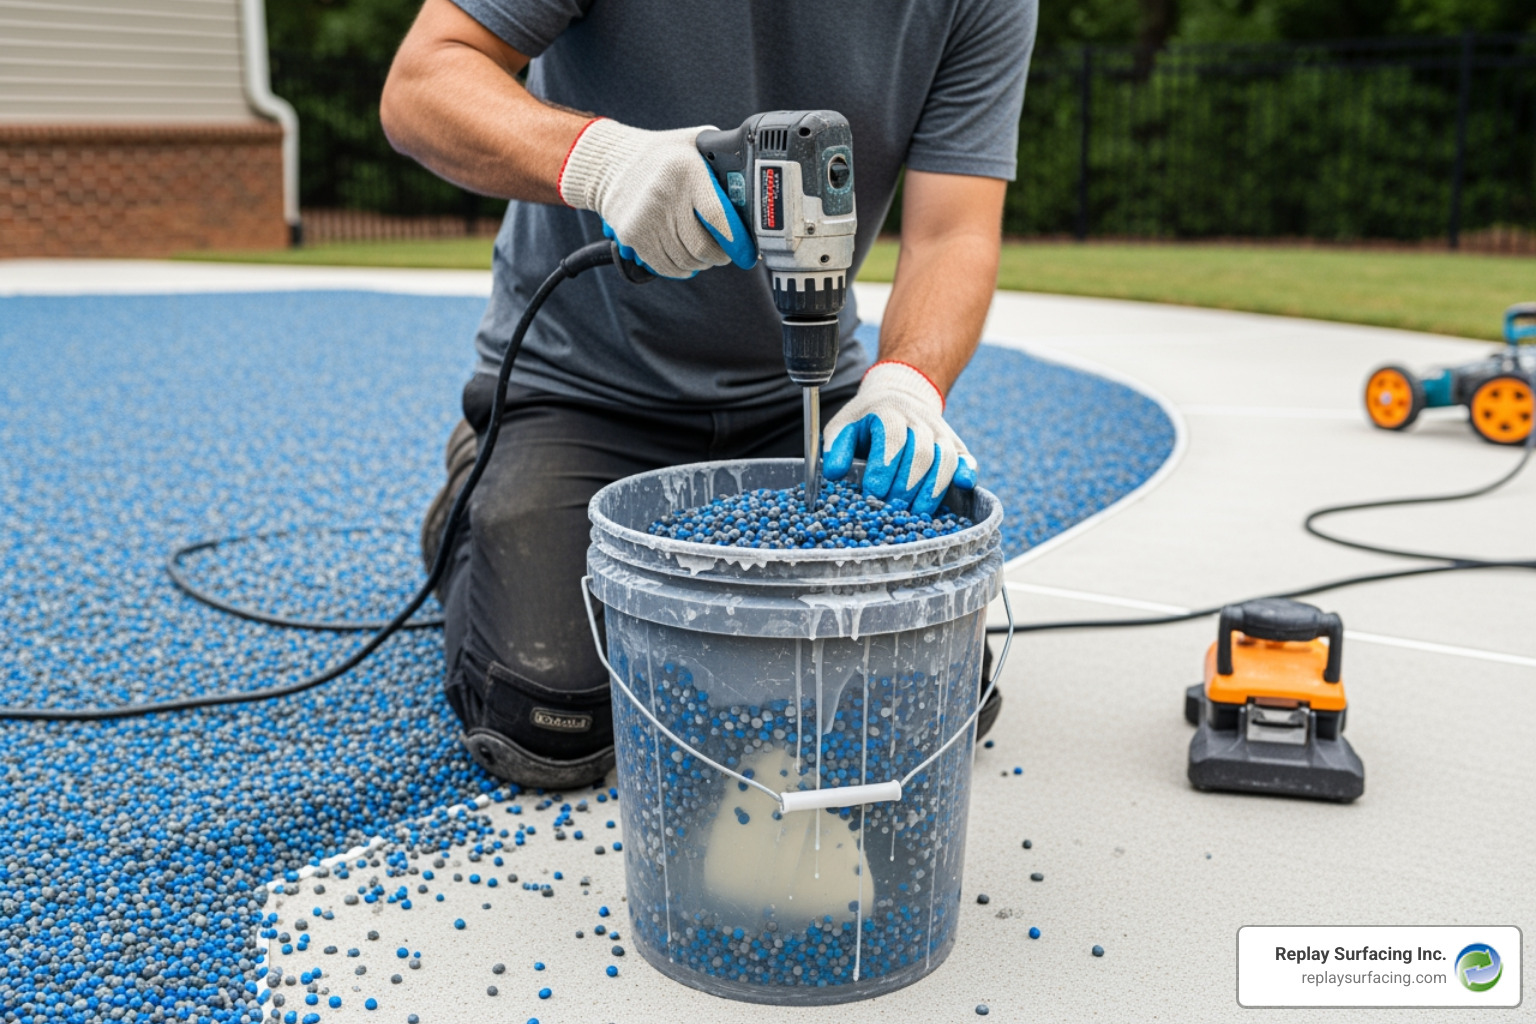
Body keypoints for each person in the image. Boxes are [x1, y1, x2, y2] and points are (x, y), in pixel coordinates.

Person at [381, 0, 1037, 788]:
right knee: (550, 719)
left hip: (805, 393)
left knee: (929, 700)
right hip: (582, 387)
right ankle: (478, 501)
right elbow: (423, 81)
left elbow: (952, 231)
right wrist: (603, 161)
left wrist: (905, 383)